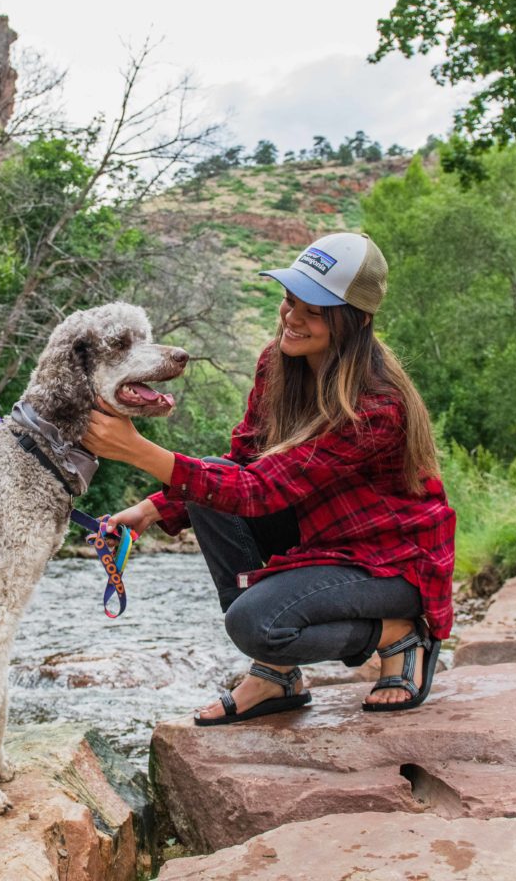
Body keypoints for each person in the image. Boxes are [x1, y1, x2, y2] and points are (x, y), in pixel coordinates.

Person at [82, 232, 455, 725]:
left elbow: (263, 491)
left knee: (254, 621)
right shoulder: (277, 361)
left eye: (314, 310)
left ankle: (399, 635)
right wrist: (153, 509)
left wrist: (137, 450)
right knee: (210, 489)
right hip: (319, 538)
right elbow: (242, 462)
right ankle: (276, 672)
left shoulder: (376, 404)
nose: (291, 318)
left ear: (357, 320)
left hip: (391, 561)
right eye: (289, 300)